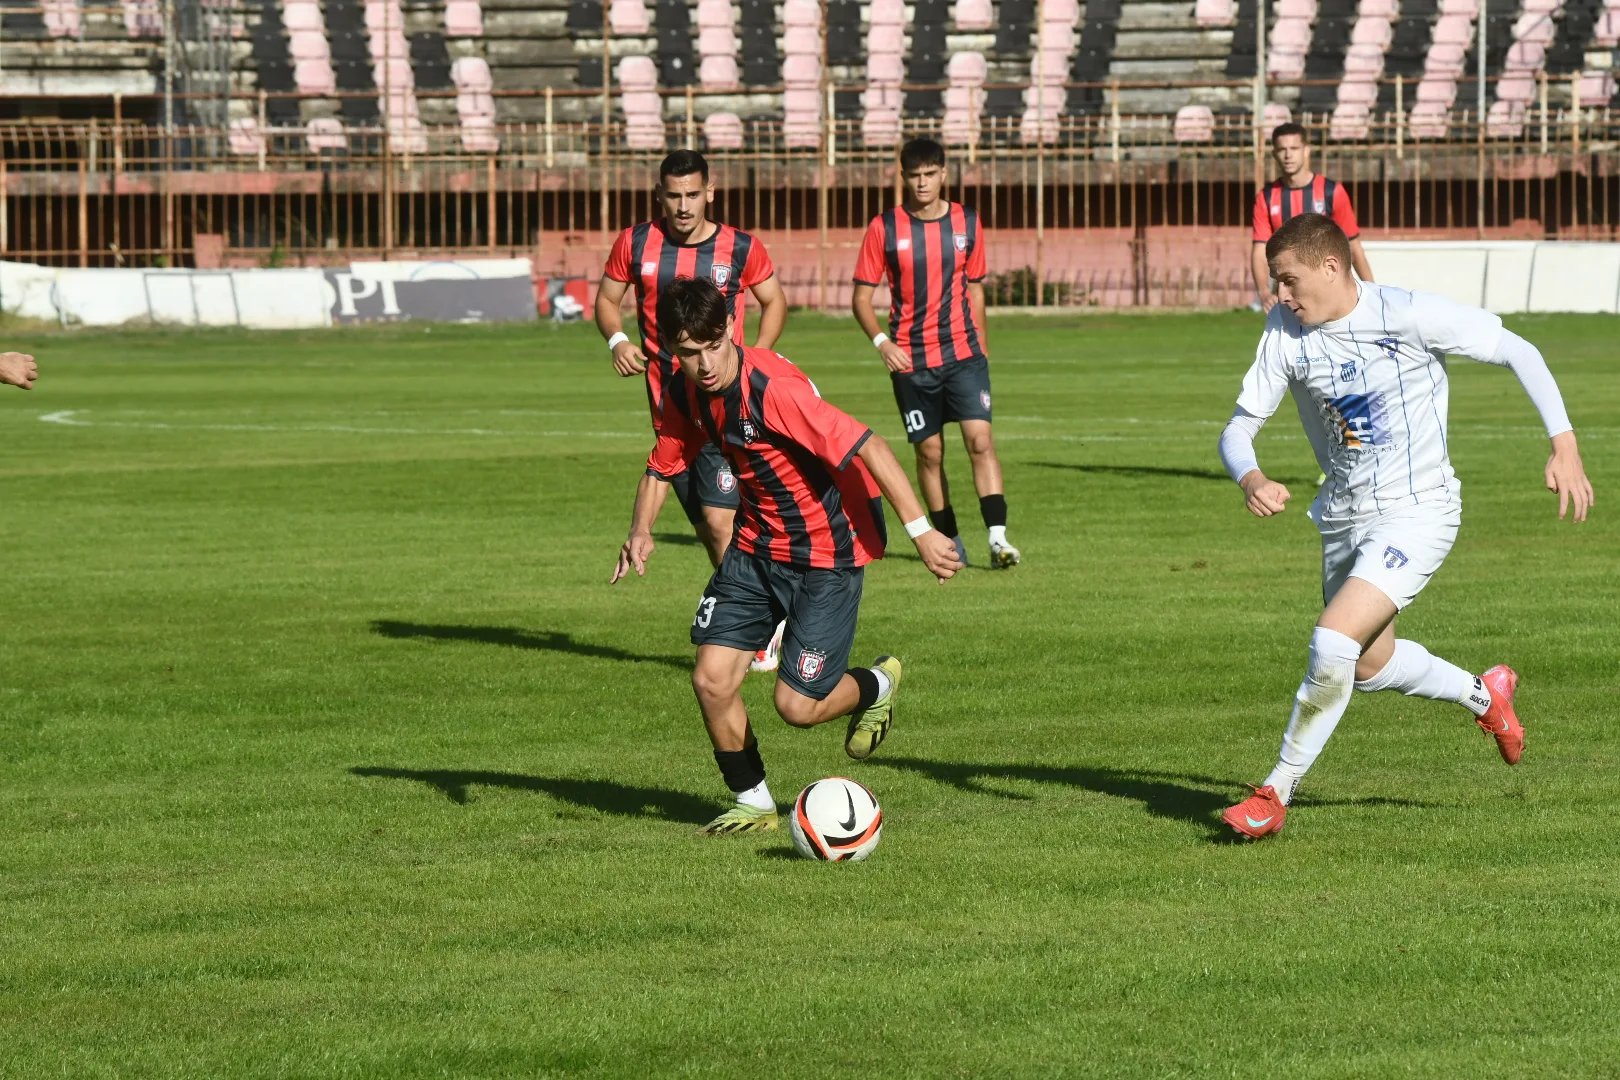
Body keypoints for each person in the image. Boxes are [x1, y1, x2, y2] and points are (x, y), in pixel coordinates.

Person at [1217, 214, 1593, 839]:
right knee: (1368, 665)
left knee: (1332, 643)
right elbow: (1238, 428)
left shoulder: (1407, 314)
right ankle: (1485, 695)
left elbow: (1517, 350)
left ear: (1331, 267)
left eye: (1288, 279)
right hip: (1342, 515)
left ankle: (1274, 792)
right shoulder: (1284, 329)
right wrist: (1250, 477)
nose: (1279, 293)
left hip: (1419, 511)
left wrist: (1565, 444)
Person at [611, 278, 963, 835]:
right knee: (711, 679)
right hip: (753, 549)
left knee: (796, 708)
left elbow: (870, 445)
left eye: (712, 347)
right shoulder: (683, 390)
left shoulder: (773, 391)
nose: (704, 365)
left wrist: (922, 533)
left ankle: (876, 685)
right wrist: (640, 529)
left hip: (825, 555)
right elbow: (664, 462)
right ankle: (753, 802)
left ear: (731, 327)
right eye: (689, 353)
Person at [596, 149, 791, 671]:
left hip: (724, 408)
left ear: (710, 191)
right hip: (671, 415)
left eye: (692, 195)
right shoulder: (636, 243)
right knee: (709, 529)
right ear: (659, 195)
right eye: (673, 196)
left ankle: (761, 628)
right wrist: (617, 340)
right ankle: (763, 612)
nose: (683, 206)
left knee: (721, 521)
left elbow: (775, 301)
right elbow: (607, 299)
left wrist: (755, 361)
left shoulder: (741, 247)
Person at [851, 137, 1020, 570]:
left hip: (964, 355)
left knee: (980, 440)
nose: (923, 183)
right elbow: (861, 299)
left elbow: (975, 288)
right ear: (903, 177)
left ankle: (998, 539)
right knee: (930, 453)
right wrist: (882, 343)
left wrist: (982, 346)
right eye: (915, 175)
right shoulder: (885, 228)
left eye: (930, 174)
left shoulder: (967, 221)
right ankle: (951, 540)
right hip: (912, 361)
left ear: (944, 174)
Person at [1251, 122, 1375, 313]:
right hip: (1289, 298)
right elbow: (1260, 249)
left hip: (1329, 293)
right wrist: (1263, 292)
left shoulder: (1331, 192)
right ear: (1274, 153)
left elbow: (1354, 247)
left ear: (1306, 150)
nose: (1288, 155)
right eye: (1282, 149)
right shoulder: (1266, 197)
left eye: (1294, 148)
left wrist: (1373, 293)